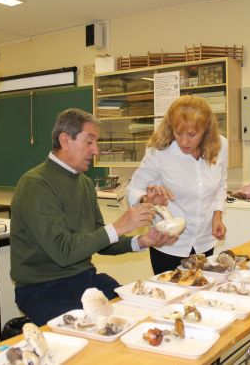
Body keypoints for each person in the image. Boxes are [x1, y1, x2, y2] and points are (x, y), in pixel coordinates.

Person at [10, 108, 176, 325]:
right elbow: (64, 251)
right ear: (65, 139)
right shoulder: (35, 184)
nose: (96, 150)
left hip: (83, 280)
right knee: (95, 336)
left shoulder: (84, 184)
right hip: (43, 289)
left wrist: (142, 241)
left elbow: (99, 241)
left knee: (136, 315)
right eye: (89, 142)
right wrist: (118, 227)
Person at [128, 95, 228, 274]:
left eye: (191, 135)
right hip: (168, 245)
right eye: (178, 133)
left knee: (201, 294)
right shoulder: (159, 152)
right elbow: (134, 188)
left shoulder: (220, 146)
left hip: (204, 241)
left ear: (206, 129)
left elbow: (221, 183)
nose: (184, 141)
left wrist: (217, 215)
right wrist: (146, 198)